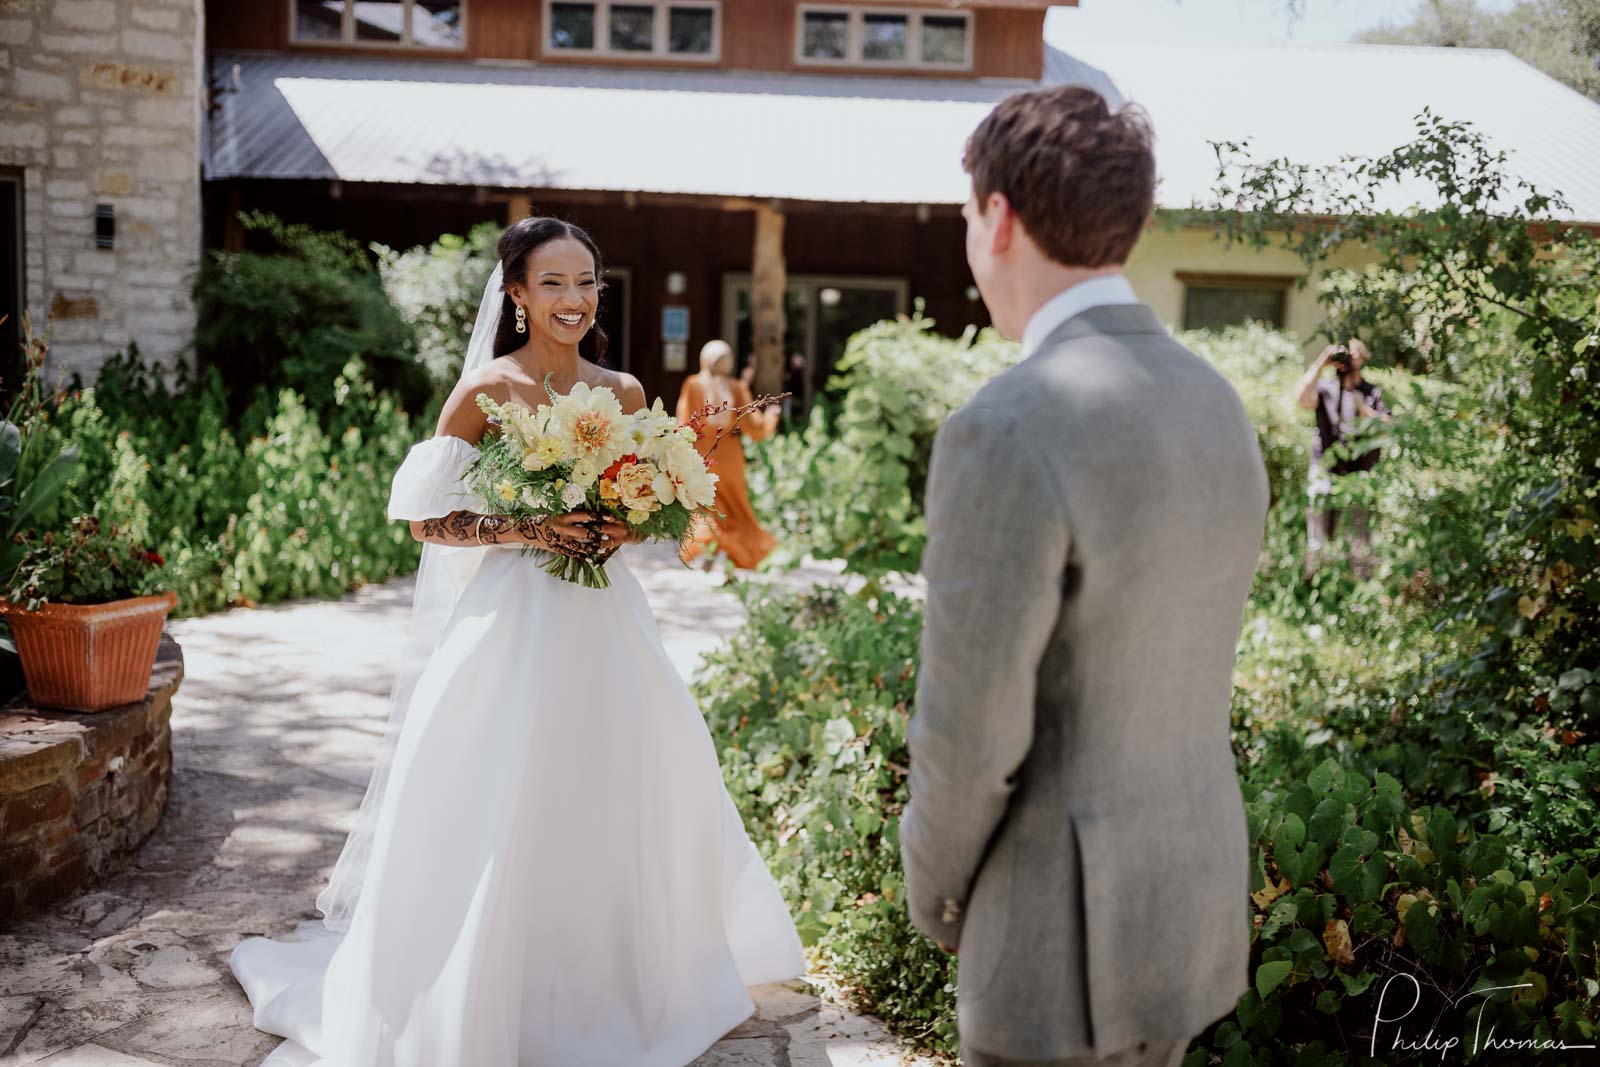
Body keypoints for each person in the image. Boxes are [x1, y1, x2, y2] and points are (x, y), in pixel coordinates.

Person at [227, 217, 805, 1066]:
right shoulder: (485, 391)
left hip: (605, 619)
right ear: (518, 294)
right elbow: (427, 518)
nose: (574, 299)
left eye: (586, 282)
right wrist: (529, 523)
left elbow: (647, 510)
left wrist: (621, 527)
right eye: (554, 283)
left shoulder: (630, 391)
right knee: (499, 785)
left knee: (626, 777)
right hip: (510, 625)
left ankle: (621, 978)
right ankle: (485, 982)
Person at [897, 85, 1270, 1067]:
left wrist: (934, 895)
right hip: (1182, 911)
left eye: (967, 214)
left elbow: (968, 732)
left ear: (998, 217)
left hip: (1054, 941)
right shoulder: (1214, 401)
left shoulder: (1009, 424)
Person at [676, 339, 781, 570]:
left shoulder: (693, 385)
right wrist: (772, 416)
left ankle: (706, 547)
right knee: (735, 510)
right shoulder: (737, 388)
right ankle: (734, 552)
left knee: (704, 507)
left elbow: (684, 425)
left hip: (703, 458)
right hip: (730, 459)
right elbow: (756, 429)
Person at [1295, 337, 1392, 579]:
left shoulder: (1371, 392)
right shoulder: (1326, 389)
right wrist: (1321, 363)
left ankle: (1360, 585)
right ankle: (1314, 580)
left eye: (1353, 355)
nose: (1348, 360)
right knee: (1316, 524)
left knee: (1359, 535)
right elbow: (1301, 400)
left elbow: (1389, 427)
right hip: (1325, 468)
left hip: (1359, 472)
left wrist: (1363, 409)